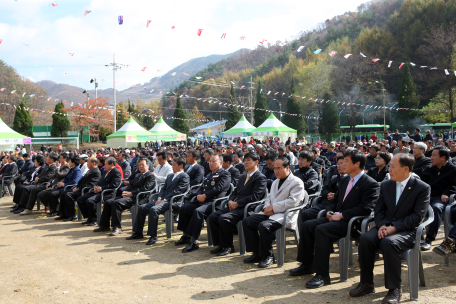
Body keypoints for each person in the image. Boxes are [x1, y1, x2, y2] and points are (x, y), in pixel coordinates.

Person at [290, 150, 379, 288]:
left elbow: (366, 209)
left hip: (352, 222)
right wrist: (329, 211)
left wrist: (342, 215)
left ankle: (322, 275)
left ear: (357, 164)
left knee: (321, 230)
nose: (343, 164)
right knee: (307, 225)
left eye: (346, 162)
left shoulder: (370, 183)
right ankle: (307, 264)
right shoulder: (345, 180)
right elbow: (336, 201)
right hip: (337, 218)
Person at [349, 153, 430, 303]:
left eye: (392, 166)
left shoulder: (421, 188)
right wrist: (382, 225)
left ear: (405, 169)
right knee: (365, 238)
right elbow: (378, 209)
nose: (389, 170)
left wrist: (395, 228)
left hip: (407, 230)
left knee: (389, 242)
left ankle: (394, 289)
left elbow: (417, 217)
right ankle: (366, 283)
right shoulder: (386, 185)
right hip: (384, 226)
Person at [242, 157, 304, 268]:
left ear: (287, 167)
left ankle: (268, 256)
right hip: (271, 213)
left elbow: (293, 202)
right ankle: (257, 253)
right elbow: (268, 198)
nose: (276, 171)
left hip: (286, 215)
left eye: (279, 168)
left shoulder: (296, 182)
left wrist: (273, 208)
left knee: (264, 226)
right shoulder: (275, 182)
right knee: (247, 221)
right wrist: (267, 208)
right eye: (274, 168)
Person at [207, 152, 267, 256]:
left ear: (256, 162)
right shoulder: (243, 176)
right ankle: (220, 245)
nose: (246, 162)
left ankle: (229, 246)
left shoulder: (260, 177)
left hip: (247, 208)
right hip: (235, 206)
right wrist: (230, 200)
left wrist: (237, 203)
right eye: (245, 160)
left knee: (224, 218)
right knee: (213, 216)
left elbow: (255, 197)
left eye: (249, 160)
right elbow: (234, 192)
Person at [175, 154, 231, 252]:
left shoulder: (225, 174)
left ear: (221, 163)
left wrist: (205, 196)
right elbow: (202, 188)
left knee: (198, 211)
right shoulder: (209, 174)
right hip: (203, 201)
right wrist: (197, 195)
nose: (211, 163)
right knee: (184, 209)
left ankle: (194, 241)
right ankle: (186, 235)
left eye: (214, 161)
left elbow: (218, 188)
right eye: (210, 161)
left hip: (214, 203)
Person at [127, 157, 189, 244]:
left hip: (173, 201)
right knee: (142, 208)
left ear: (181, 166)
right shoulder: (170, 176)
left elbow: (178, 191)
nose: (172, 167)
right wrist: (159, 198)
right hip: (162, 200)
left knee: (154, 209)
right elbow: (163, 189)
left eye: (174, 165)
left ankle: (153, 236)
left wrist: (164, 199)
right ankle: (138, 232)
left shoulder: (184, 176)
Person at [95, 158, 154, 236]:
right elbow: (132, 185)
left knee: (116, 203)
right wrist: (125, 192)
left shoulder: (150, 176)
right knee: (108, 202)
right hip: (131, 195)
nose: (141, 166)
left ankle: (117, 227)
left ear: (148, 166)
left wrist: (131, 193)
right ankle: (104, 225)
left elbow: (145, 189)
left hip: (140, 197)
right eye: (140, 165)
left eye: (143, 165)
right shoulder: (138, 175)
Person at [420, 146, 456, 250]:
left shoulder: (453, 170)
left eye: (434, 155)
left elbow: (453, 185)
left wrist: (447, 193)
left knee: (435, 208)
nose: (431, 158)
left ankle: (429, 239)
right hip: (426, 197)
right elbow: (421, 185)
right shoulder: (428, 170)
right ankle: (414, 237)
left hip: (440, 198)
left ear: (443, 158)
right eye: (431, 155)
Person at [76, 157, 122, 226]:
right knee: (80, 199)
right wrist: (96, 187)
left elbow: (114, 185)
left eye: (106, 164)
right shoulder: (105, 171)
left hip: (107, 193)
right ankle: (89, 217)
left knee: (90, 201)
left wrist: (101, 188)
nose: (104, 165)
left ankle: (94, 219)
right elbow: (100, 182)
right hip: (99, 191)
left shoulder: (116, 172)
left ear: (112, 164)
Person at [59, 157, 101, 223]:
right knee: (63, 193)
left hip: (86, 191)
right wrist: (76, 187)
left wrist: (78, 188)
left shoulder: (96, 172)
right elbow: (81, 181)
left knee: (68, 195)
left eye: (88, 163)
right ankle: (64, 214)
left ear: (93, 163)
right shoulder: (90, 170)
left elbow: (90, 184)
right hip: (80, 189)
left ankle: (72, 215)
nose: (86, 164)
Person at [50, 156, 83, 220]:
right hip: (65, 188)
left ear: (73, 162)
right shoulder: (71, 169)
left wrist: (65, 184)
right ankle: (63, 214)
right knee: (55, 192)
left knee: (64, 194)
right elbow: (66, 179)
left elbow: (75, 182)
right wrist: (61, 183)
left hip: (70, 188)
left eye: (70, 161)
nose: (68, 162)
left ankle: (71, 215)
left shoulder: (77, 170)